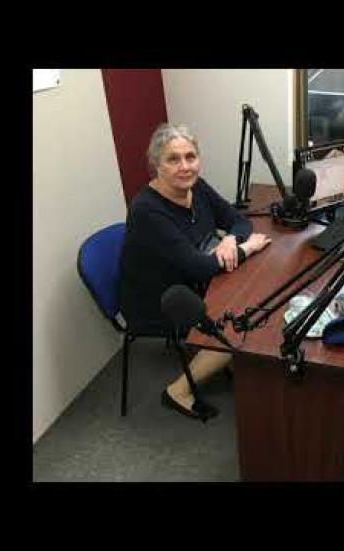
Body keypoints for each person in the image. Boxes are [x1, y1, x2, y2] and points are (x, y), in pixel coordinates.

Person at [120, 123, 271, 419]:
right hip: (161, 299)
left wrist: (230, 239)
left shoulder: (195, 186)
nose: (185, 166)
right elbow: (199, 267)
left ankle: (224, 358)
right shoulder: (147, 210)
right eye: (173, 159)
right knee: (239, 325)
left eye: (190, 156)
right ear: (156, 165)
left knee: (252, 298)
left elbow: (238, 220)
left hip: (190, 279)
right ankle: (177, 391)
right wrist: (248, 248)